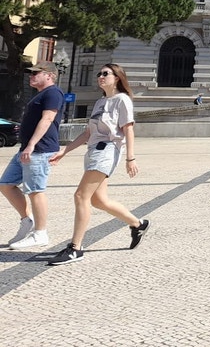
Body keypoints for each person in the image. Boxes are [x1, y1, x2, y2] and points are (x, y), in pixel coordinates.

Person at [46, 64, 150, 265]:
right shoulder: (100, 101)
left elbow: (128, 129)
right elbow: (87, 133)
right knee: (99, 201)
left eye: (105, 74)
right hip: (93, 151)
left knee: (80, 196)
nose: (100, 77)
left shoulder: (122, 100)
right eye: (99, 74)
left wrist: (131, 158)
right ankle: (138, 224)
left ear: (117, 77)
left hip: (108, 150)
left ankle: (75, 248)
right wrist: (64, 151)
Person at [2, 61, 64, 250]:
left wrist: (31, 145)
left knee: (35, 190)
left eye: (36, 73)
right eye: (31, 73)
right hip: (27, 150)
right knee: (5, 184)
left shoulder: (53, 93)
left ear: (50, 75)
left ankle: (40, 233)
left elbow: (48, 119)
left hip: (40, 149)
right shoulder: (40, 95)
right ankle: (27, 221)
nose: (31, 75)